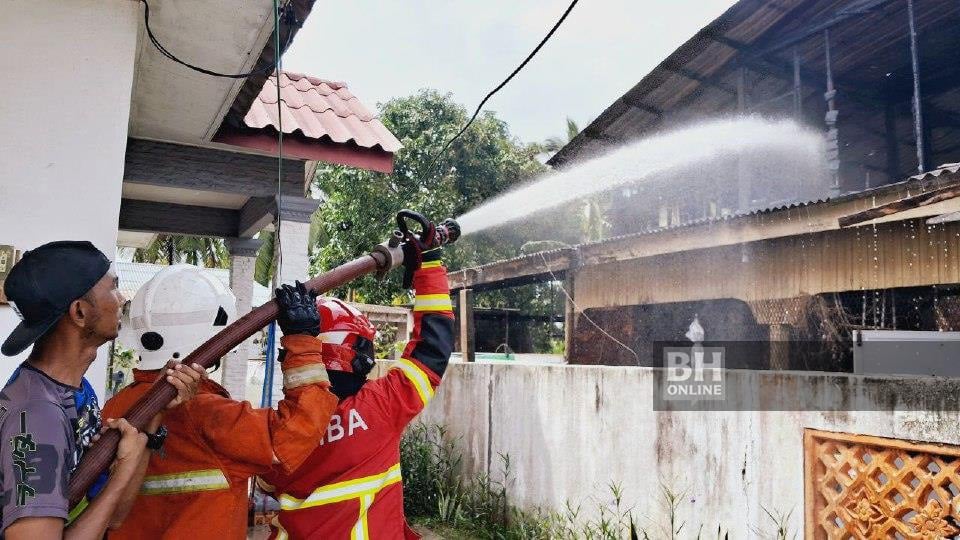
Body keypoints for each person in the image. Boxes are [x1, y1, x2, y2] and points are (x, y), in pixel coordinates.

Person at [102, 264, 339, 539]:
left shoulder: (116, 407)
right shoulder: (203, 411)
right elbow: (291, 436)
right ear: (213, 334)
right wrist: (303, 344)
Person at [258, 220, 455, 539]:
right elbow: (433, 348)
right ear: (357, 355)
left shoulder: (276, 430)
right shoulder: (380, 407)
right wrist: (429, 262)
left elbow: (267, 483)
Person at [0, 241, 204, 539]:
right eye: (113, 287)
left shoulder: (75, 392)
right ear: (80, 312)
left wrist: (151, 421)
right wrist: (122, 471)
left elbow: (113, 517)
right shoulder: (37, 417)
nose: (121, 299)